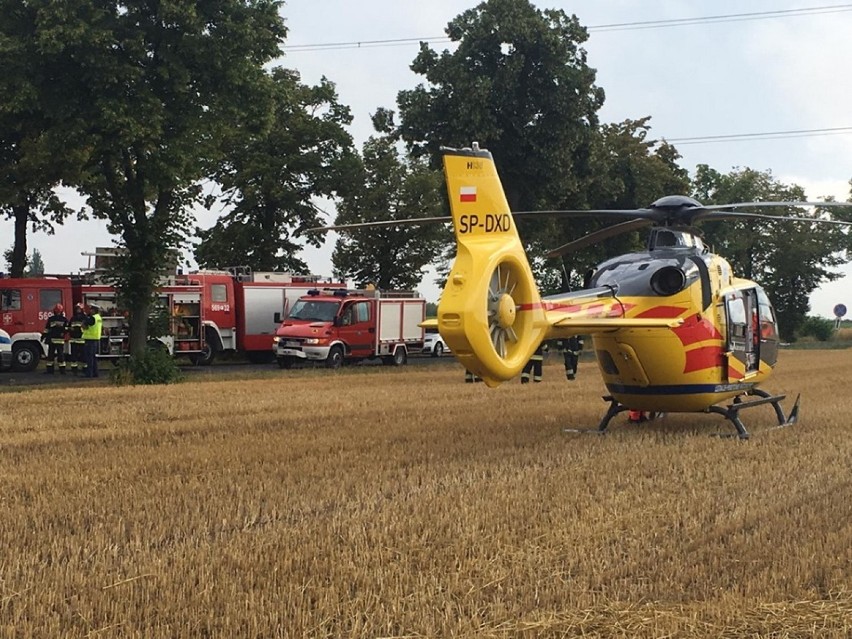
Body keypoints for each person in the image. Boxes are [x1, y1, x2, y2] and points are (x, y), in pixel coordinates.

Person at [41, 304, 68, 374]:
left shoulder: (64, 319)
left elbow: (67, 328)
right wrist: (43, 336)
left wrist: (63, 331)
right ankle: (50, 370)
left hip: (58, 340)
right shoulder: (52, 319)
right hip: (53, 340)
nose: (58, 312)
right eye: (57, 311)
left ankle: (62, 371)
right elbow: (47, 329)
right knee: (51, 356)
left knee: (60, 356)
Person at [81, 304, 103, 378]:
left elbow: (85, 324)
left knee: (89, 358)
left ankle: (89, 374)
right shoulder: (98, 318)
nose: (90, 311)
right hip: (95, 339)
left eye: (91, 309)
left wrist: (84, 319)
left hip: (90, 339)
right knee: (93, 357)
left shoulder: (92, 318)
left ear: (94, 310)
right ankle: (95, 373)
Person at [67, 302, 88, 375]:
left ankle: (85, 369)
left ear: (82, 309)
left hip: (82, 340)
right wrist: (70, 330)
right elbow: (69, 327)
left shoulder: (85, 318)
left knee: (84, 356)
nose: (77, 310)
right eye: (77, 309)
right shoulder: (73, 318)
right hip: (74, 340)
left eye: (79, 309)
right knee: (74, 356)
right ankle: (74, 370)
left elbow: (87, 328)